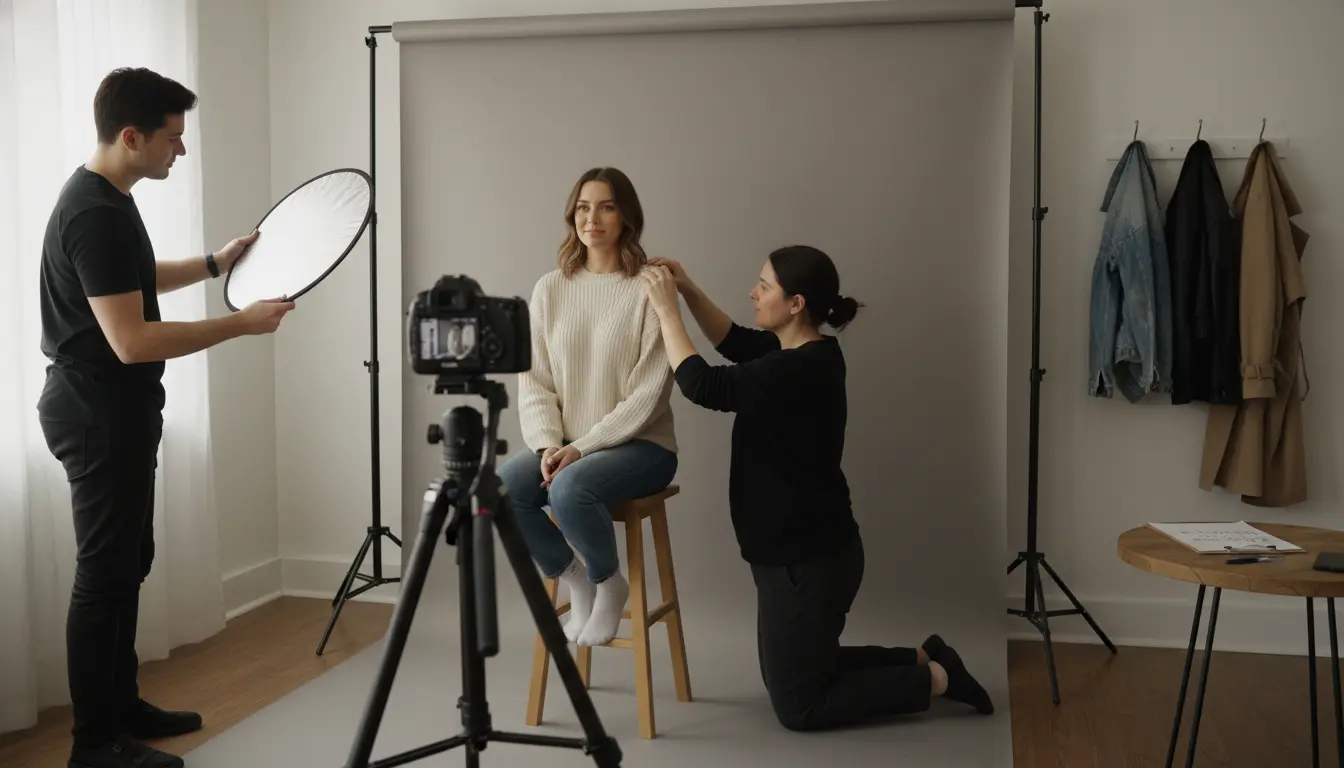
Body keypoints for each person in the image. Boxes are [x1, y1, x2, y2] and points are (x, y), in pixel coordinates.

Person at [37, 67, 295, 768]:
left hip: (111, 409)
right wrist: (239, 326)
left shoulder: (107, 198)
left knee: (129, 562)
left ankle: (122, 706)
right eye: (173, 140)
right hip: (96, 413)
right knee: (105, 573)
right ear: (132, 137)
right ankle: (95, 744)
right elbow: (133, 340)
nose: (180, 152)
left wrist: (216, 263)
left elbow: (134, 280)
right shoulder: (93, 212)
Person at [639, 247, 994, 731]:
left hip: (809, 560)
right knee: (791, 676)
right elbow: (730, 340)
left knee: (799, 707)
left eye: (764, 286)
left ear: (796, 304)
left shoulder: (803, 368)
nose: (753, 292)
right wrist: (686, 287)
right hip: (790, 556)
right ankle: (922, 656)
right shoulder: (788, 350)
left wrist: (665, 310)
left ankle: (934, 678)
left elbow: (705, 386)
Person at [499, 167, 678, 648]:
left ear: (626, 216)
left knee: (569, 488)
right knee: (504, 489)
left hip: (641, 447)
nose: (591, 218)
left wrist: (580, 449)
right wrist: (548, 446)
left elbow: (649, 394)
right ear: (571, 215)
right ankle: (576, 578)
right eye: (582, 207)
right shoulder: (550, 288)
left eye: (606, 206)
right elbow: (534, 379)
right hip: (567, 446)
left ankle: (607, 582)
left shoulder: (648, 288)